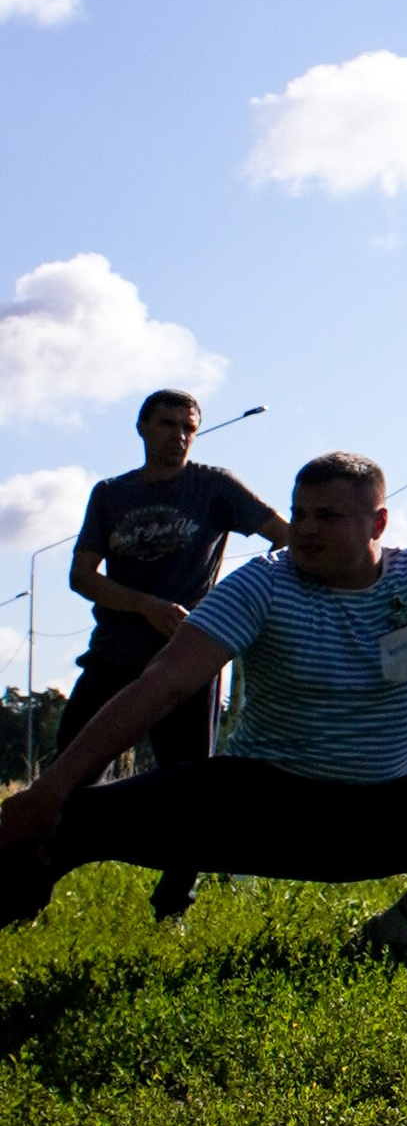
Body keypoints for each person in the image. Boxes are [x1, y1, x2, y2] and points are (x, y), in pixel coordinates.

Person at [0, 453, 407, 956]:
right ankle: (19, 904)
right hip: (258, 807)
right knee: (60, 819)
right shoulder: (261, 584)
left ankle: (400, 930)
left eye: (326, 516)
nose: (304, 529)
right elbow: (163, 685)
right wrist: (50, 791)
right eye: (300, 513)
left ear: (377, 521)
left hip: (378, 814)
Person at [56, 390, 288, 922]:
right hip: (114, 656)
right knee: (68, 771)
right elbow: (81, 576)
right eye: (167, 424)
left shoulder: (213, 487)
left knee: (189, 786)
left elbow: (285, 536)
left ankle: (173, 907)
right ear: (141, 428)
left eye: (189, 427)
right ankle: (32, 883)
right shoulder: (111, 494)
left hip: (189, 661)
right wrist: (146, 606)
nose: (179, 435)